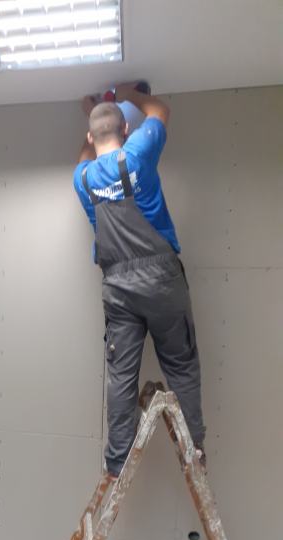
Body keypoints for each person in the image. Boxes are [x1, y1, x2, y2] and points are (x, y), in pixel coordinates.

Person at [73, 82, 205, 479]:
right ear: (126, 131)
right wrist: (129, 93)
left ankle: (116, 462)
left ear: (90, 136)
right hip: (161, 279)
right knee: (180, 365)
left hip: (117, 287)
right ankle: (193, 453)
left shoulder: (84, 180)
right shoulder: (136, 155)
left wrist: (92, 115)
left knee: (120, 377)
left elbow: (83, 158)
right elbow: (160, 111)